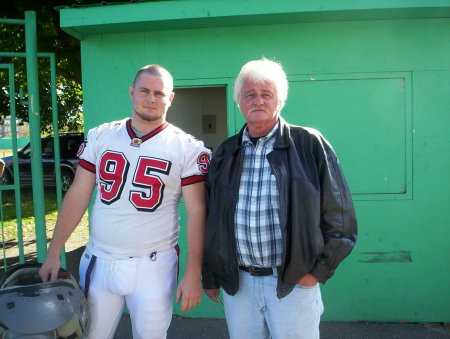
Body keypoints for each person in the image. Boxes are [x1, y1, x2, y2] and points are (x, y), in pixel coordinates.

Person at [40, 64, 211, 339]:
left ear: (171, 98)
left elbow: (197, 211)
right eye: (144, 90)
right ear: (132, 92)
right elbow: (78, 194)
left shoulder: (187, 147)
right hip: (99, 258)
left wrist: (193, 272)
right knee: (89, 334)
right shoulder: (101, 135)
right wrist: (53, 252)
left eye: (159, 93)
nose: (151, 98)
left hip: (154, 265)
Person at [202, 58, 357, 339]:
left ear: (280, 100)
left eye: (266, 94)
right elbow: (213, 221)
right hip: (240, 285)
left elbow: (341, 219)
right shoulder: (225, 153)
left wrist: (315, 273)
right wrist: (213, 274)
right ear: (239, 101)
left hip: (292, 282)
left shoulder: (310, 144)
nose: (258, 101)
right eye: (250, 95)